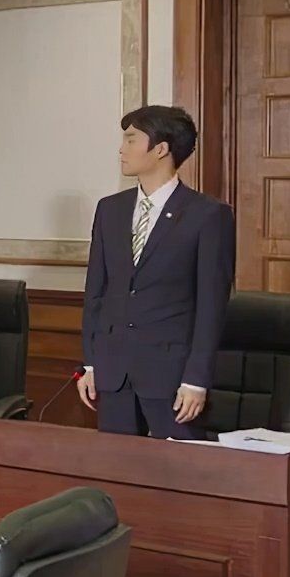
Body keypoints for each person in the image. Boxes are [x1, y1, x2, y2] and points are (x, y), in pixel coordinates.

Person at [78, 106, 235, 439]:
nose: (121, 149)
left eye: (131, 140)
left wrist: (196, 379)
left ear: (161, 149)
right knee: (115, 465)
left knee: (180, 467)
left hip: (172, 376)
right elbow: (96, 292)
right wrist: (91, 363)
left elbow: (211, 306)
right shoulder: (110, 209)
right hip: (113, 372)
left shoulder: (208, 215)